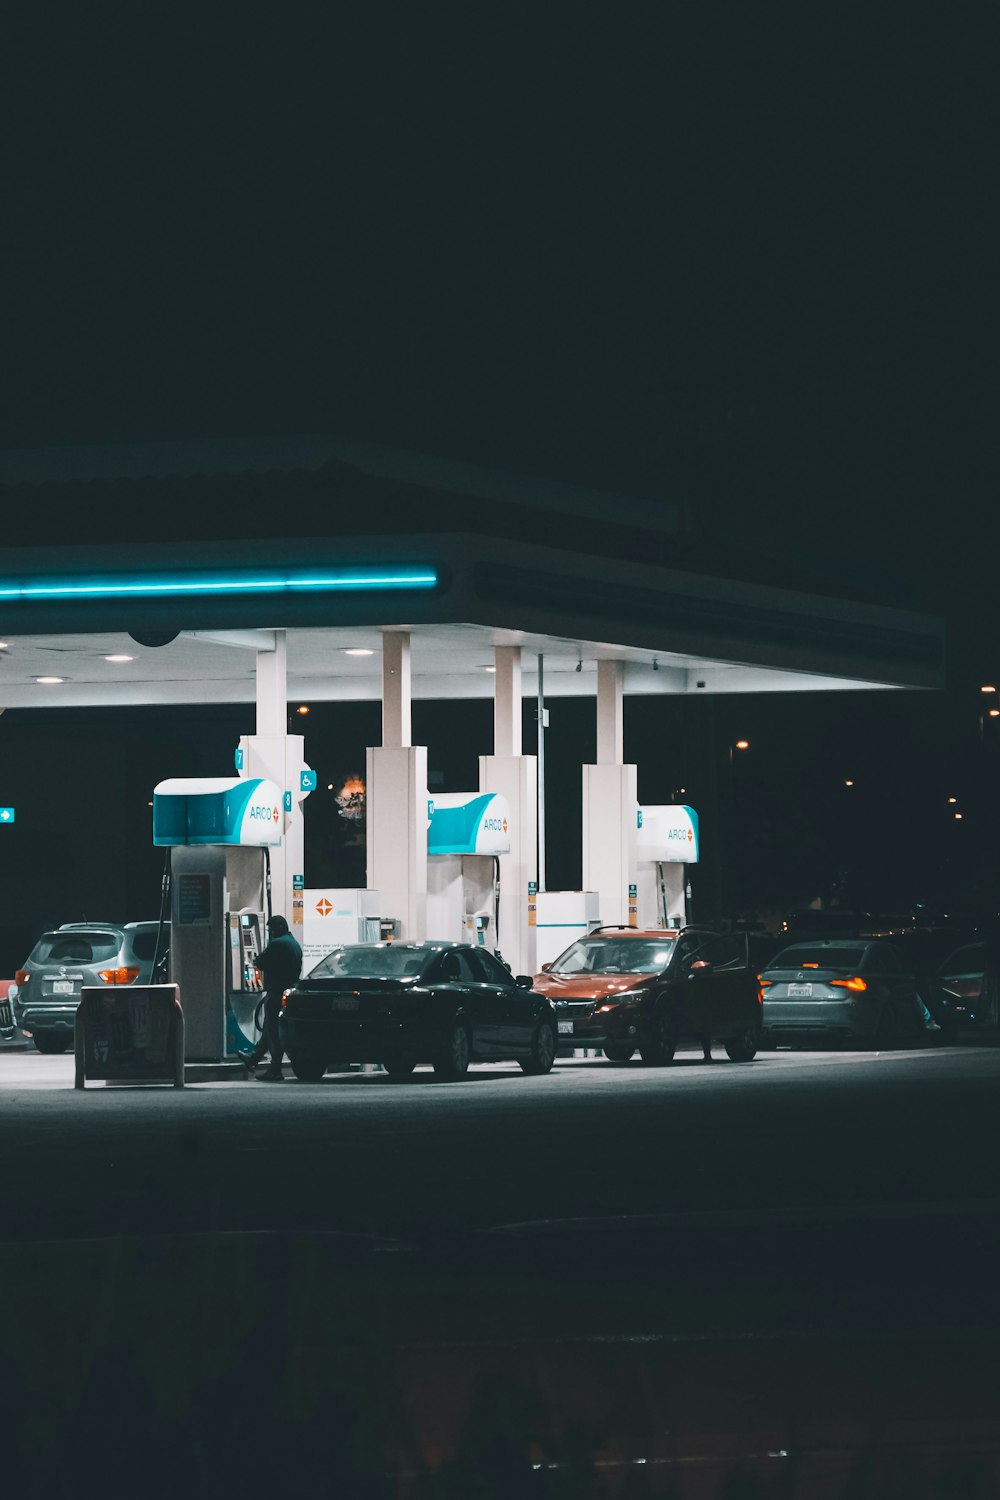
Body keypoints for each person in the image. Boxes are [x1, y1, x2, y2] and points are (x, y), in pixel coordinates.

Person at [240, 914, 302, 1081]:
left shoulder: (277, 944)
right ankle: (253, 1058)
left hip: (276, 993)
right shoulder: (294, 943)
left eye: (270, 930)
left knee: (273, 1030)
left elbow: (259, 961)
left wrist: (256, 958)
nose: (269, 933)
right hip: (289, 992)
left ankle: (275, 1069)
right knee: (269, 1028)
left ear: (277, 929)